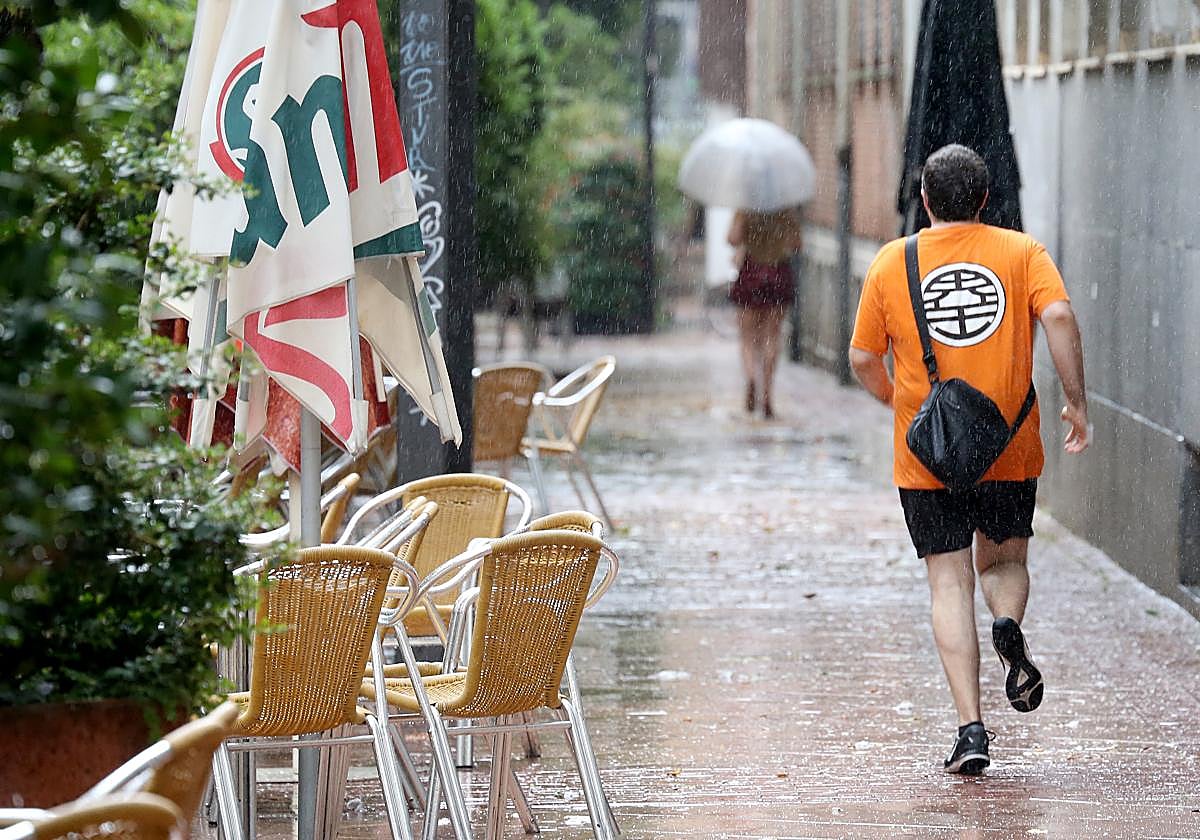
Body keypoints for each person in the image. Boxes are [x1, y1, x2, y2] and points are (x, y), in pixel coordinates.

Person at [848, 144, 1090, 775]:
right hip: (1008, 448)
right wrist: (1077, 403)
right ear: (986, 199)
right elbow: (1060, 314)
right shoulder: (1021, 253)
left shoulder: (891, 263)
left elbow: (863, 358)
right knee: (1004, 559)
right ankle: (1007, 623)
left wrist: (901, 407)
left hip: (927, 459)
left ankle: (971, 729)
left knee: (947, 580)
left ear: (924, 200)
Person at [727, 208, 802, 418]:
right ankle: (767, 393)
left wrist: (748, 232)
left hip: (751, 271)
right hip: (778, 272)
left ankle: (751, 377)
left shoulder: (746, 206)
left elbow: (732, 238)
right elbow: (797, 244)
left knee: (748, 338)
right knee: (772, 335)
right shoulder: (785, 208)